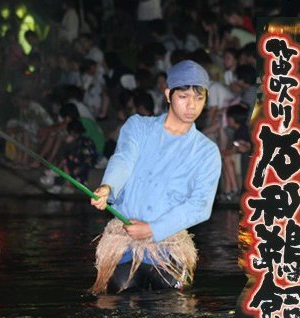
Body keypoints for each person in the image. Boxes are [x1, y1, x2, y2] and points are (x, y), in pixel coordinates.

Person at [89, 60, 221, 294]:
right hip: (124, 239)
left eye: (199, 98)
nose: (192, 105)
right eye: (184, 97)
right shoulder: (138, 126)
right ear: (169, 94)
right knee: (117, 308)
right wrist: (108, 187)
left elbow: (200, 206)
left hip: (169, 245)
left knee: (174, 311)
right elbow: (124, 159)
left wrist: (153, 229)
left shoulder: (207, 151)